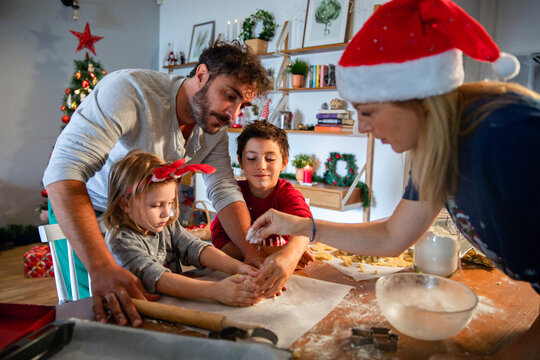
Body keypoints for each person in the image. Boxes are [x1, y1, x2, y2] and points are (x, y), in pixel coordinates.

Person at [247, 0, 540, 358]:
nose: (364, 128)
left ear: (417, 98)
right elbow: (393, 235)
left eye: (367, 112)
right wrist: (302, 226)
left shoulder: (508, 138)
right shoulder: (438, 147)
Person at [42, 41, 272, 326]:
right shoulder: (129, 91)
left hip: (142, 220)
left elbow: (224, 190)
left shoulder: (214, 132)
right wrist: (100, 266)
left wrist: (251, 254)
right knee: (102, 314)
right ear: (201, 75)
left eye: (244, 105)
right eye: (229, 95)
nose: (233, 115)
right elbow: (63, 172)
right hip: (86, 206)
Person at [103, 150, 259, 307]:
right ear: (125, 204)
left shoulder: (168, 226)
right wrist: (217, 290)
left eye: (170, 203)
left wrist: (241, 268)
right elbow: (161, 279)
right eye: (156, 205)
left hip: (170, 304)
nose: (167, 212)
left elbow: (196, 248)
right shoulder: (121, 242)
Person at [211, 120, 314, 297]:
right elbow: (219, 242)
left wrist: (292, 250)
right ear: (240, 162)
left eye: (270, 159)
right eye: (252, 158)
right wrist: (279, 252)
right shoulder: (232, 196)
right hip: (234, 274)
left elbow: (306, 225)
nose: (261, 166)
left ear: (284, 163)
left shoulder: (287, 194)